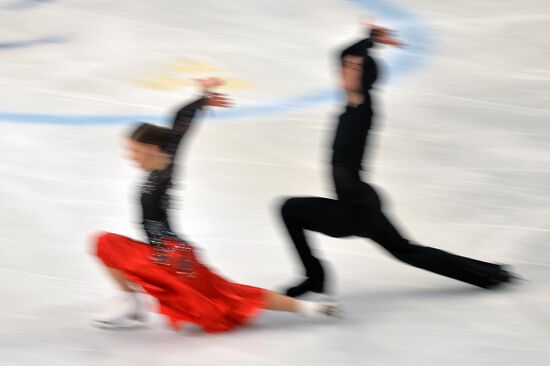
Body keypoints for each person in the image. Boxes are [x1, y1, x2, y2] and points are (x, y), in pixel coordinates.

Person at [281, 24, 516, 298]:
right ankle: (487, 274)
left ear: (364, 79)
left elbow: (350, 62)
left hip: (355, 210)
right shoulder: (350, 101)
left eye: (353, 69)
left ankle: (315, 276)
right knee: (407, 250)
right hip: (360, 202)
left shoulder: (363, 109)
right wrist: (369, 40)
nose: (345, 70)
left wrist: (365, 50)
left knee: (290, 209)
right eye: (346, 68)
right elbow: (343, 55)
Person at [91, 78, 339, 333]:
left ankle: (129, 301)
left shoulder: (165, 173)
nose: (132, 158)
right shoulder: (167, 157)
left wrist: (201, 101)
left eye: (136, 151)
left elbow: (178, 127)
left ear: (153, 148)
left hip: (172, 256)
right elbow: (179, 123)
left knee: (107, 244)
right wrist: (202, 98)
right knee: (227, 293)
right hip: (171, 253)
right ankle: (129, 301)